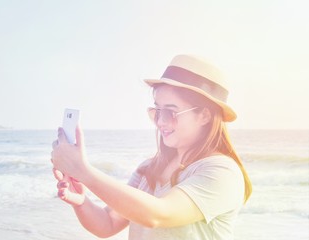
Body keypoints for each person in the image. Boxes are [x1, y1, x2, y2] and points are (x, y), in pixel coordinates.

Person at [51, 54, 252, 240]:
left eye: (171, 112)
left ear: (204, 116)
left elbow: (159, 214)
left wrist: (83, 171)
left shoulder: (222, 172)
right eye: (157, 111)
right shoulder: (149, 168)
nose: (160, 122)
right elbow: (107, 224)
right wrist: (82, 202)